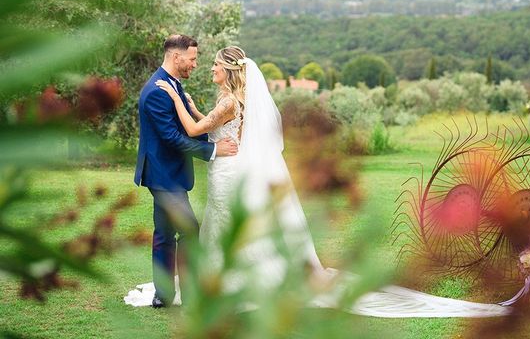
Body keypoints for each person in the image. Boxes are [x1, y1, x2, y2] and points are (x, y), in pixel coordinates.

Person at [133, 45, 509, 318]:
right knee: (219, 224)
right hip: (226, 168)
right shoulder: (234, 98)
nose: (206, 67)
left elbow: (199, 127)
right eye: (201, 61)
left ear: (229, 70)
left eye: (212, 64)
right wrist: (187, 100)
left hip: (227, 168)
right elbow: (212, 121)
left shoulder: (228, 100)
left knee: (223, 223)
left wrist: (178, 98)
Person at [133, 35, 238, 308]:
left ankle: (165, 294)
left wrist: (212, 140)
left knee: (165, 234)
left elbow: (191, 127)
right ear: (175, 56)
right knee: (189, 230)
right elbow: (172, 138)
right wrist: (214, 151)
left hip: (171, 173)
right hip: (163, 174)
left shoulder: (173, 85)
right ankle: (185, 293)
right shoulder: (158, 90)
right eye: (192, 59)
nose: (195, 64)